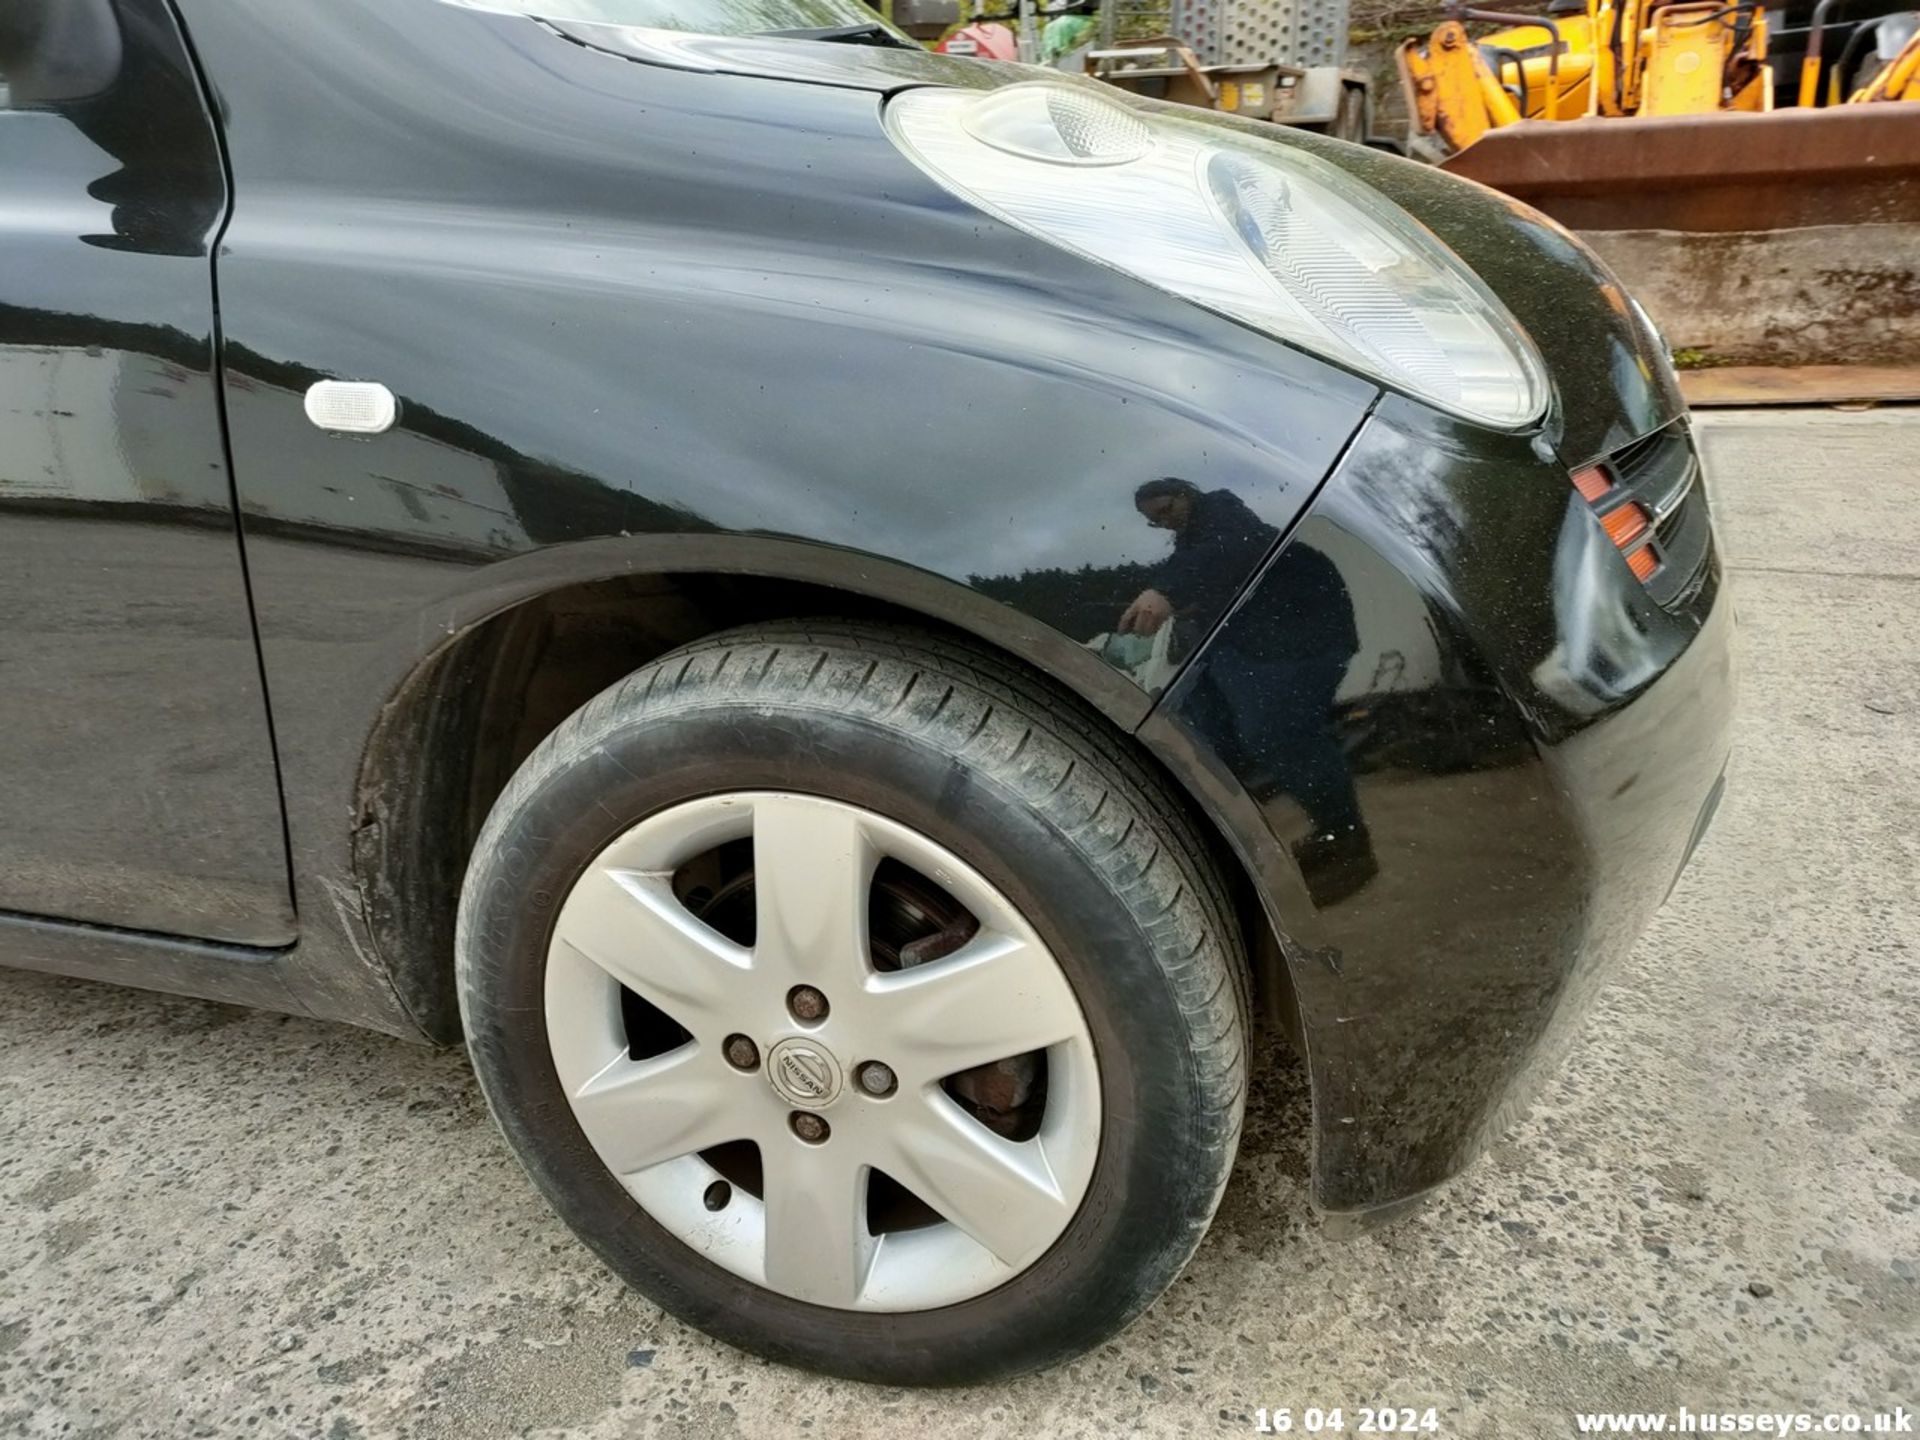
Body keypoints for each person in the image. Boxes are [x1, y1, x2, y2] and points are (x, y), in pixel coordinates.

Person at [1121, 478, 1376, 905]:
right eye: (1154, 522)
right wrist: (1188, 606)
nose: (1164, 524)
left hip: (1298, 636)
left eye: (1166, 511)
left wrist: (1167, 591)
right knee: (1200, 736)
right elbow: (1219, 580)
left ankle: (1347, 841)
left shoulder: (1224, 512)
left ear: (1187, 493)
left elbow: (1239, 547)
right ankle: (1240, 848)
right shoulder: (1192, 544)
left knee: (1277, 732)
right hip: (1242, 646)